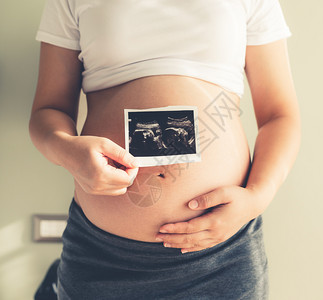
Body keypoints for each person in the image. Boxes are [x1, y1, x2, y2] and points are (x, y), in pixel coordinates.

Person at [29, 0, 301, 299]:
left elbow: (280, 116)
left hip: (221, 256)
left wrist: (257, 198)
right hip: (102, 256)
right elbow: (48, 110)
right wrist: (67, 150)